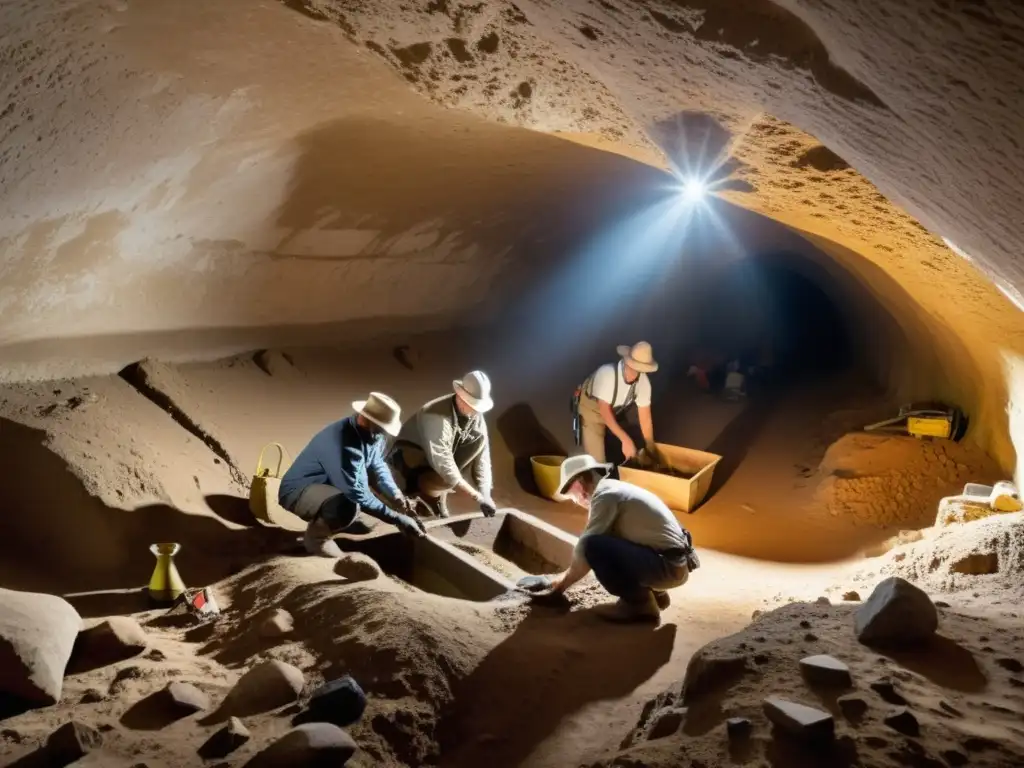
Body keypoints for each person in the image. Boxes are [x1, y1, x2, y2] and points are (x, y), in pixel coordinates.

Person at [519, 454, 699, 623]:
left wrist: (558, 590)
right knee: (611, 542)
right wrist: (552, 580)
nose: (574, 501)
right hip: (675, 563)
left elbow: (584, 549)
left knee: (594, 547)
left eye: (570, 494)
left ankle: (640, 606)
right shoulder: (615, 488)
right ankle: (655, 594)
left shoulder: (606, 497)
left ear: (580, 485)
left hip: (668, 568)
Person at [278, 392, 426, 557]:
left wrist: (395, 494)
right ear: (365, 418)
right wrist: (397, 518)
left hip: (329, 483)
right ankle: (317, 539)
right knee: (348, 506)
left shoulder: (373, 434)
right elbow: (358, 494)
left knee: (361, 511)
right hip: (298, 491)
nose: (382, 434)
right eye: (380, 429)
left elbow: (378, 464)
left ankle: (334, 518)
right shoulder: (344, 444)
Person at [390, 370, 497, 519]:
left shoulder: (475, 416)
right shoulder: (435, 414)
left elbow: (483, 458)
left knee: (475, 444)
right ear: (460, 396)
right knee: (444, 479)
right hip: (410, 457)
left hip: (435, 462)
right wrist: (476, 497)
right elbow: (443, 461)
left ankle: (435, 494)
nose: (475, 412)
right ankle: (412, 488)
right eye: (472, 405)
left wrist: (486, 494)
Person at [573, 341, 658, 464]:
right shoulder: (607, 374)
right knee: (598, 464)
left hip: (615, 411)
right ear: (627, 361)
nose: (635, 372)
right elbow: (605, 412)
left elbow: (645, 418)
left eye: (640, 369)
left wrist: (651, 447)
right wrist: (625, 439)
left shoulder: (643, 383)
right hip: (592, 410)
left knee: (633, 449)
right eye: (633, 367)